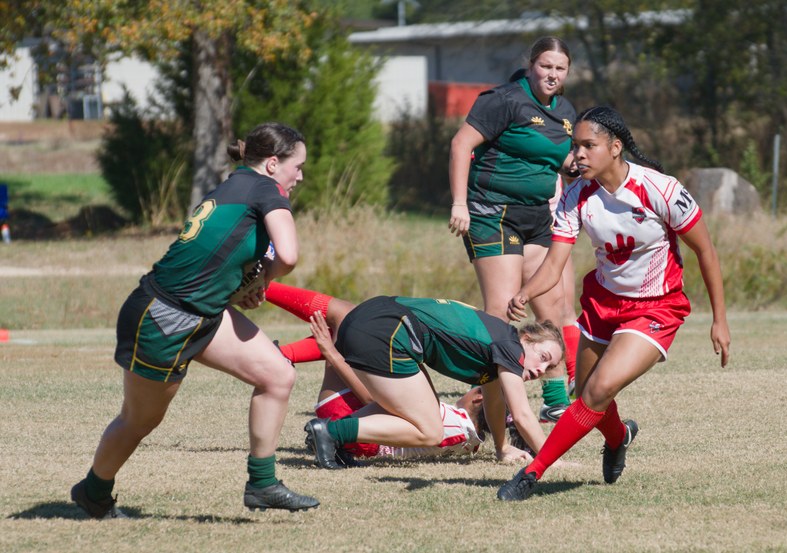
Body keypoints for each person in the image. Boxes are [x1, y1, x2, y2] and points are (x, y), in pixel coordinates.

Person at [70, 122, 319, 519]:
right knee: (140, 421)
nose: (300, 175)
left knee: (277, 375)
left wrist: (245, 281)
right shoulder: (266, 189)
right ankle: (93, 491)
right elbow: (287, 256)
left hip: (202, 313)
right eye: (298, 166)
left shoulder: (235, 183)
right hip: (165, 316)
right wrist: (264, 276)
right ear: (273, 164)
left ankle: (263, 483)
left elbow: (221, 252)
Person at [497, 106, 731, 501]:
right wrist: (526, 292)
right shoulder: (576, 196)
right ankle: (620, 436)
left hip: (656, 307)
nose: (579, 154)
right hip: (603, 305)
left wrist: (719, 320)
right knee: (586, 393)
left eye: (589, 145)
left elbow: (706, 251)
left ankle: (532, 473)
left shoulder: (661, 189)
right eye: (576, 146)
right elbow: (555, 263)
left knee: (598, 389)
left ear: (616, 147)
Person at [448, 37, 577, 421]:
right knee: (501, 315)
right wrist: (459, 204)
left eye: (560, 68)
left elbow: (559, 159)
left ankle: (555, 402)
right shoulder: (503, 99)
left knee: (552, 308)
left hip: (538, 215)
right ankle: (494, 410)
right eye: (546, 66)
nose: (552, 75)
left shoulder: (567, 110)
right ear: (531, 64)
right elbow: (460, 145)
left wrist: (581, 164)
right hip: (492, 213)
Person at [302, 295, 566, 470]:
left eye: (549, 367)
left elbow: (495, 402)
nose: (541, 369)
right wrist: (550, 460)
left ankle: (329, 434)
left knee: (411, 409)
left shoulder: (500, 346)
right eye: (542, 357)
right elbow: (521, 414)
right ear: (527, 338)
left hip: (374, 318)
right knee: (431, 431)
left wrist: (502, 447)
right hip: (390, 331)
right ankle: (330, 433)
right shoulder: (510, 348)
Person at [264, 282, 492, 463]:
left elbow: (374, 399)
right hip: (359, 432)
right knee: (349, 327)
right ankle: (281, 354)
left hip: (350, 423)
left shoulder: (456, 422)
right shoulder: (470, 440)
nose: (469, 388)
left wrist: (331, 353)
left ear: (479, 398)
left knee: (346, 316)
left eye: (475, 387)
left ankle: (259, 286)